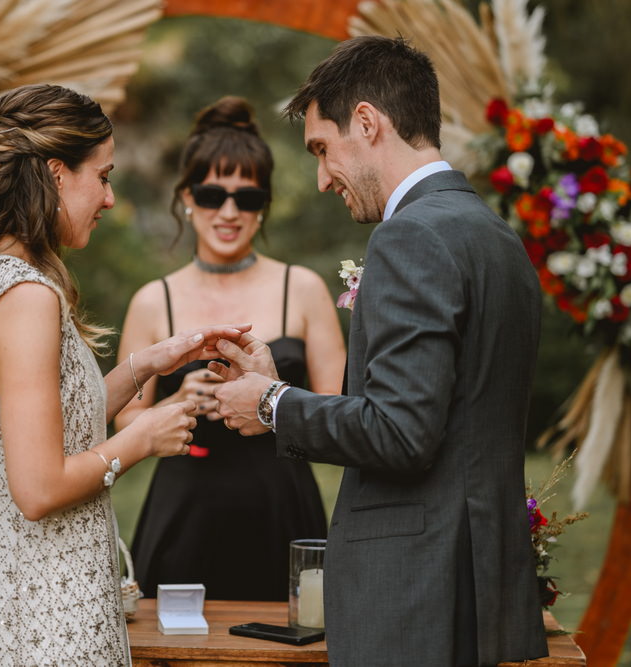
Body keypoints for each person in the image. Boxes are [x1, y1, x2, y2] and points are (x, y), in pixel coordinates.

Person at [211, 37, 549, 666]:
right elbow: (438, 416)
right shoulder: (496, 237)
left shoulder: (410, 237)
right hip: (479, 591)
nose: (319, 179)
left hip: (414, 601)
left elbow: (400, 434)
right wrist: (279, 387)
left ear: (367, 122)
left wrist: (272, 404)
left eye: (322, 149)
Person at [0, 83, 247, 666]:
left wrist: (148, 365)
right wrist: (140, 440)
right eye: (103, 176)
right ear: (57, 174)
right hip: (40, 619)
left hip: (3, 604)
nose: (109, 198)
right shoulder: (26, 297)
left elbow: (36, 421)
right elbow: (38, 489)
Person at [115, 96, 346, 601]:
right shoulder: (154, 300)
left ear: (263, 207)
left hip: (282, 511)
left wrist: (271, 398)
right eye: (213, 193)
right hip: (184, 513)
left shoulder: (302, 289)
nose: (228, 211)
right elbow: (124, 419)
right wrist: (178, 405)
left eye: (246, 198)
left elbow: (338, 415)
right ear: (187, 197)